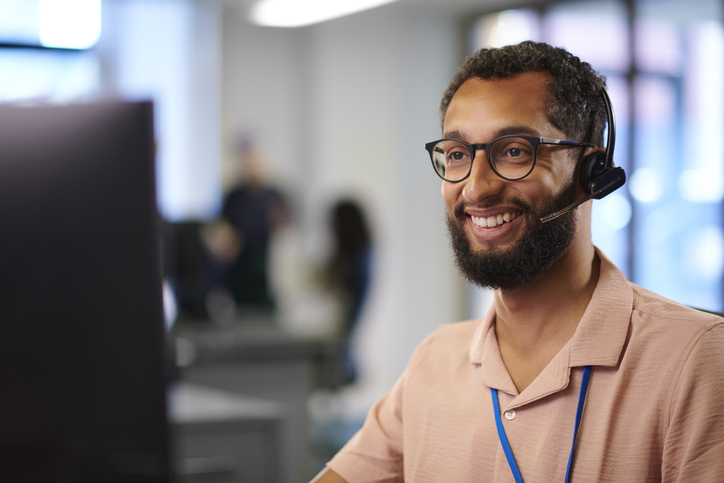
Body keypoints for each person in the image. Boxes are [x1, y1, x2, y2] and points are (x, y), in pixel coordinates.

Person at [311, 41, 724, 482]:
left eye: (514, 151)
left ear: (591, 172)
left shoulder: (695, 360)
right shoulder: (435, 360)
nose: (475, 188)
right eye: (457, 154)